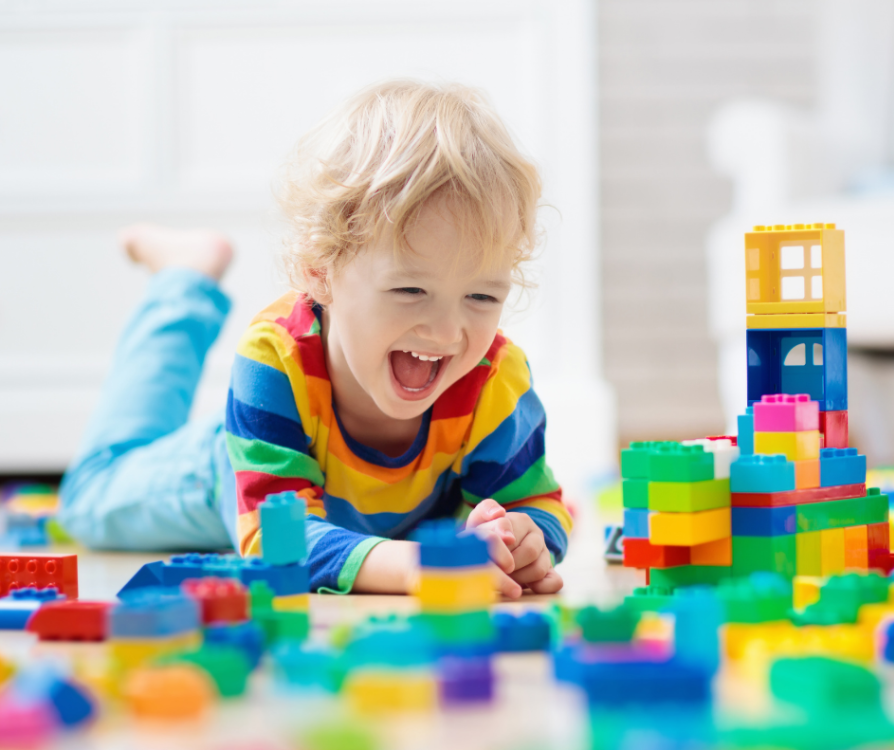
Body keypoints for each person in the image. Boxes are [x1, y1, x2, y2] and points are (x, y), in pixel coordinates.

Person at [58, 80, 571, 597]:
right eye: (411, 288)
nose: (446, 332)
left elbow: (538, 505)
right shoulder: (274, 360)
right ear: (319, 270)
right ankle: (183, 283)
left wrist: (525, 540)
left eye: (481, 298)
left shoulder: (494, 380)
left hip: (349, 517)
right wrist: (420, 567)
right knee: (90, 496)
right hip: (228, 469)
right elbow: (276, 539)